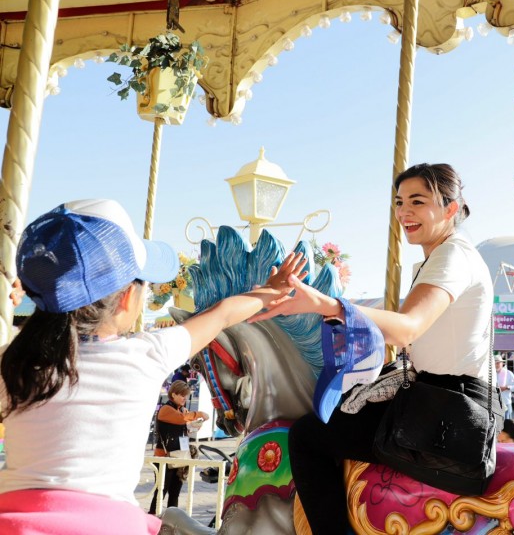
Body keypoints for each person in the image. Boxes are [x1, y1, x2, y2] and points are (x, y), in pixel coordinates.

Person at [0, 199, 306, 534]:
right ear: (128, 298)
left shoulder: (13, 363)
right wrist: (270, 291)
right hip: (105, 525)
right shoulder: (146, 355)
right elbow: (222, 314)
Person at [253, 163, 494, 535]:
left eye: (418, 201)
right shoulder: (442, 256)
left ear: (450, 208)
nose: (404, 212)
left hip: (446, 407)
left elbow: (408, 326)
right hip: (438, 392)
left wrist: (329, 305)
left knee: (307, 436)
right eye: (399, 202)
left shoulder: (452, 256)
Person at [148, 380, 208, 514]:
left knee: (175, 493)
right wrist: (199, 414)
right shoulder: (166, 409)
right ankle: (152, 519)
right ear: (173, 394)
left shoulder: (182, 410)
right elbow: (181, 418)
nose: (184, 398)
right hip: (164, 456)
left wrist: (194, 425)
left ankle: (171, 522)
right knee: (160, 492)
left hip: (181, 454)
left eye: (186, 395)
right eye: (182, 395)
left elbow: (184, 424)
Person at [495, 354, 514, 419]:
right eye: (495, 363)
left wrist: (507, 387)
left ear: (502, 363)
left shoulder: (508, 373)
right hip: (494, 404)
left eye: (498, 363)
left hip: (506, 403)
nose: (496, 365)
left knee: (507, 425)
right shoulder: (491, 374)